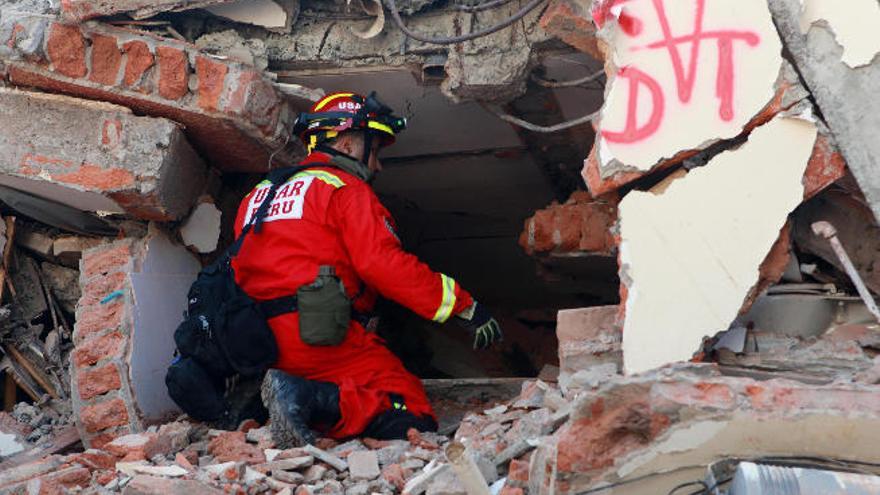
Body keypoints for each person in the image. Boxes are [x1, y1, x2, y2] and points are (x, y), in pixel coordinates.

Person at [230, 91, 503, 447]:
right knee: (410, 408)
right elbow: (382, 264)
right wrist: (463, 306)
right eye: (374, 152)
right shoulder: (346, 189)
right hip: (319, 341)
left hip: (255, 342)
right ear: (346, 144)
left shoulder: (257, 196)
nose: (378, 165)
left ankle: (274, 400)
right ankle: (305, 396)